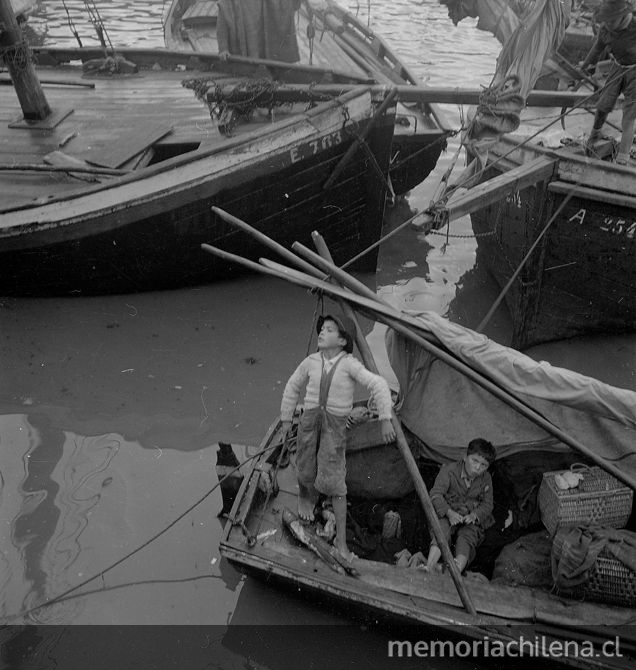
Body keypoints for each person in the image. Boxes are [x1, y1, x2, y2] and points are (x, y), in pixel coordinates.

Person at [280, 313, 396, 561]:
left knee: (336, 485)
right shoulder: (311, 361)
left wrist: (385, 419)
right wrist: (286, 419)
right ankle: (304, 497)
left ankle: (342, 544)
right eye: (322, 329)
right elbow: (291, 387)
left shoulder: (350, 365)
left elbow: (379, 385)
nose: (322, 332)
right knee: (305, 467)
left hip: (335, 429)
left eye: (329, 330)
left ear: (343, 341)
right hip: (309, 424)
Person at [423, 438, 496, 573]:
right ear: (464, 456)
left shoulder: (486, 479)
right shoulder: (449, 471)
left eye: (484, 465)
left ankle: (456, 570)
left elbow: (487, 504)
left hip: (469, 518)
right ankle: (430, 565)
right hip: (447, 513)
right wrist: (449, 513)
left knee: (467, 536)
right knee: (442, 530)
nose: (478, 468)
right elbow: (435, 494)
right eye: (474, 461)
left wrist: (474, 515)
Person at [581, 0, 636, 164]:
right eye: (606, 21)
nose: (608, 24)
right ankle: (594, 135)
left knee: (629, 114)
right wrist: (586, 66)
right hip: (618, 67)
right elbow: (597, 48)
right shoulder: (605, 29)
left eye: (612, 20)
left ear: (622, 16)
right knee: (603, 104)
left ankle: (623, 158)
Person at [217, 0, 301, 63]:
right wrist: (223, 48)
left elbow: (291, 4)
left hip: (266, 53)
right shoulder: (230, 2)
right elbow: (223, 19)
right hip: (244, 53)